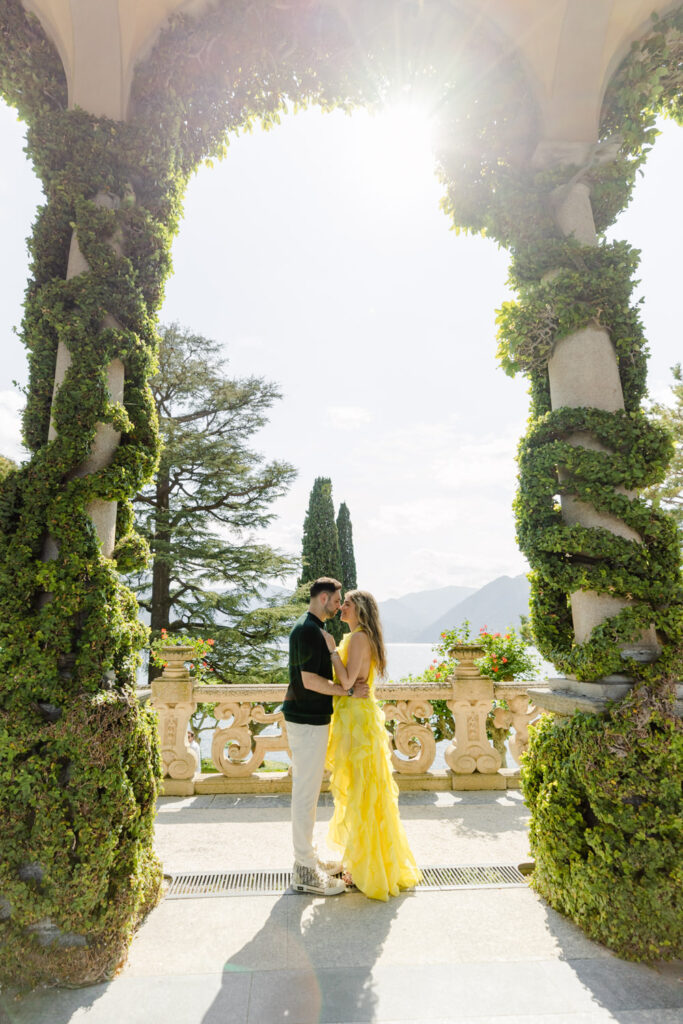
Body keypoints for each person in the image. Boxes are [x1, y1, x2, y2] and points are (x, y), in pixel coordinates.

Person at [321, 589, 422, 901]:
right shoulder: (361, 637)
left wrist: (331, 651)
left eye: (347, 603)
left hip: (357, 722)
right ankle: (358, 859)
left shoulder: (358, 638)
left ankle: (362, 866)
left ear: (360, 609)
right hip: (358, 717)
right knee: (361, 792)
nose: (341, 607)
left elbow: (348, 681)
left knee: (361, 793)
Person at [284, 577, 369, 896]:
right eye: (335, 600)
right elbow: (308, 680)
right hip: (306, 719)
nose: (338, 606)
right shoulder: (308, 630)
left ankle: (308, 858)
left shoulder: (312, 629)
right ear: (323, 598)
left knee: (307, 791)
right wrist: (347, 692)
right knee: (305, 794)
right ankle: (304, 869)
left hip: (311, 719)